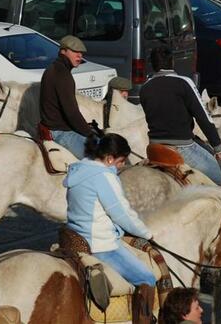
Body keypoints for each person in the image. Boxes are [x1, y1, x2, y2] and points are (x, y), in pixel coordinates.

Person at [63, 133, 156, 324]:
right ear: (109, 158)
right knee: (148, 278)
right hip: (100, 244)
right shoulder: (104, 176)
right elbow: (122, 214)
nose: (122, 166)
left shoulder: (78, 170)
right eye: (121, 161)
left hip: (74, 237)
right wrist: (147, 233)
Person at [140, 46, 221, 190]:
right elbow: (203, 117)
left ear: (153, 65)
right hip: (182, 148)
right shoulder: (184, 83)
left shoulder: (145, 88)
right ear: (172, 62)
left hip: (154, 148)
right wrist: (217, 147)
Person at [40, 35, 93, 158]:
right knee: (99, 160)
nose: (80, 55)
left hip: (55, 129)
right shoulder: (62, 75)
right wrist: (89, 134)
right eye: (75, 51)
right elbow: (71, 113)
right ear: (63, 51)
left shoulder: (53, 69)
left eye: (81, 53)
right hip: (61, 133)